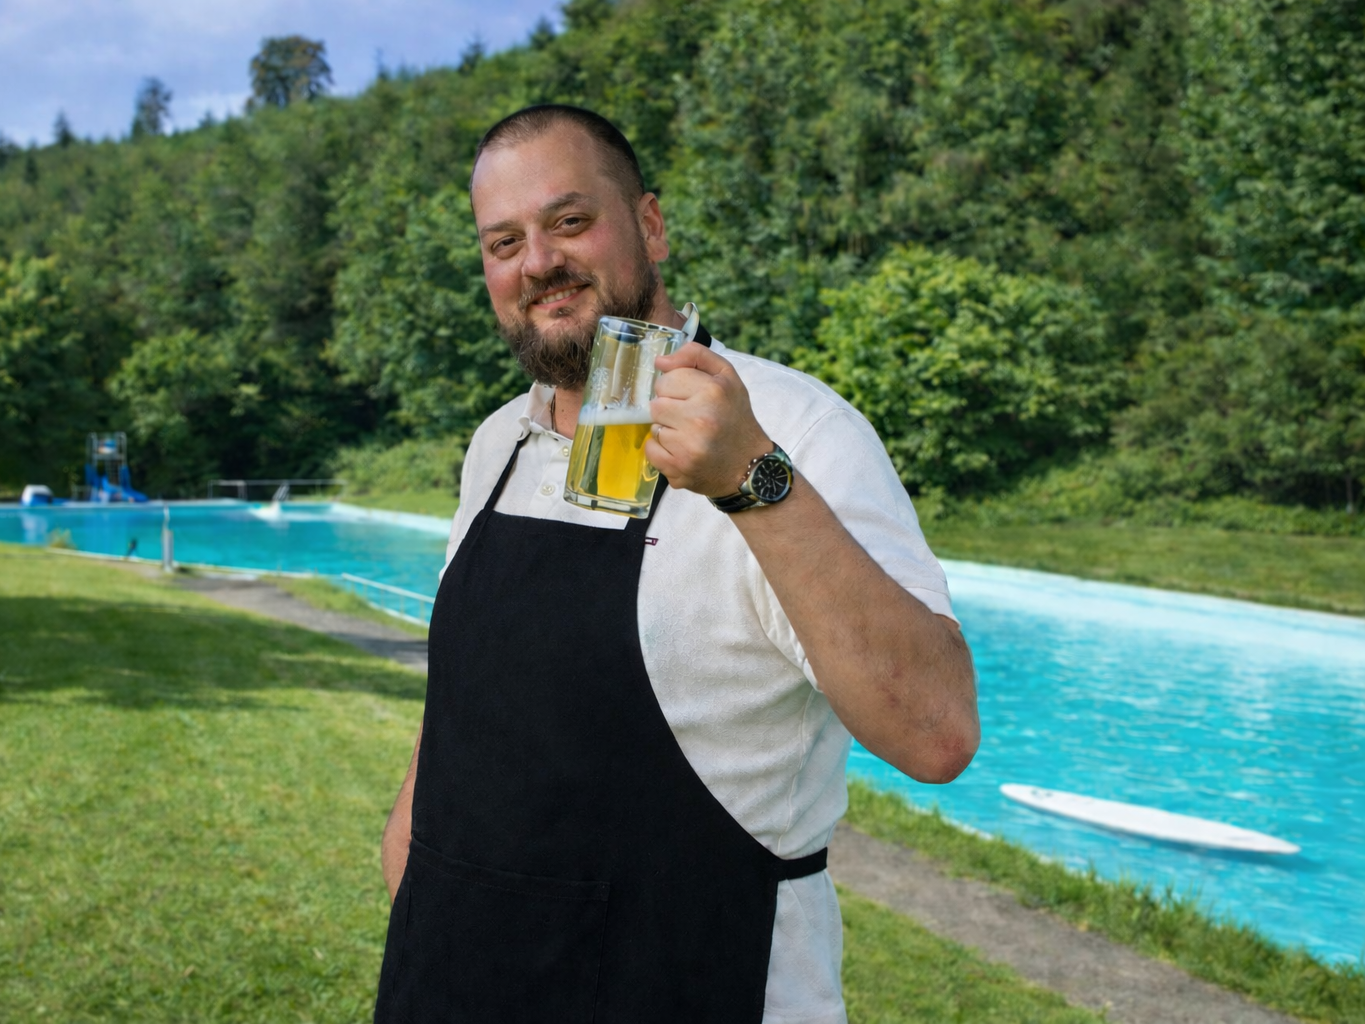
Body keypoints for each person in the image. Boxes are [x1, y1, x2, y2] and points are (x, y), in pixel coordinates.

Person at [373, 104, 979, 1024]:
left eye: (569, 222)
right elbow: (476, 695)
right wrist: (415, 871)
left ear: (649, 226)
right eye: (504, 242)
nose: (537, 263)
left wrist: (751, 479)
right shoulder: (498, 441)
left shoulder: (799, 431)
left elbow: (937, 733)